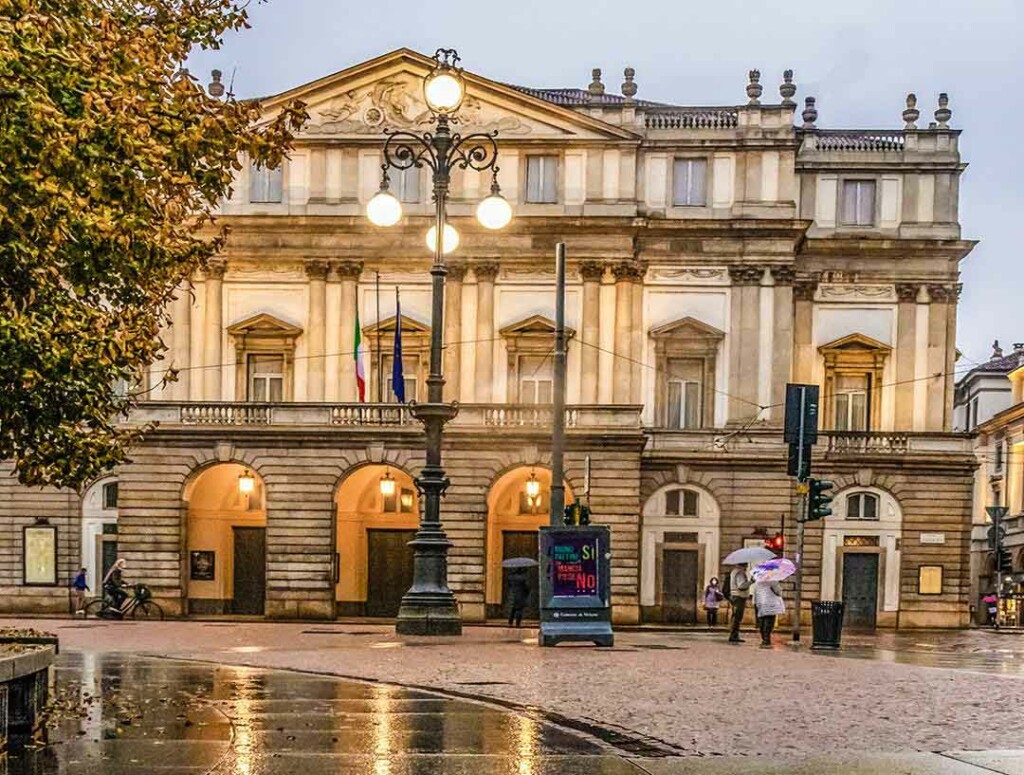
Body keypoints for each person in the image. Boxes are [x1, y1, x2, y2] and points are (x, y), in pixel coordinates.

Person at [753, 578, 786, 648]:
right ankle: (766, 640)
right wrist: (780, 589)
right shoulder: (773, 580)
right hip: (770, 604)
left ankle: (764, 639)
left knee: (762, 621)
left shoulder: (758, 581)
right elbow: (778, 592)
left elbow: (755, 592)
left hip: (760, 602)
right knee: (769, 622)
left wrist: (755, 602)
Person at [728, 565, 752, 643]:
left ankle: (734, 635)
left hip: (734, 596)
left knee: (735, 616)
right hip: (739, 597)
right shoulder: (740, 573)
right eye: (746, 565)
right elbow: (741, 586)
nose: (747, 566)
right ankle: (734, 635)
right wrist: (751, 582)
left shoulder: (734, 571)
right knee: (737, 617)